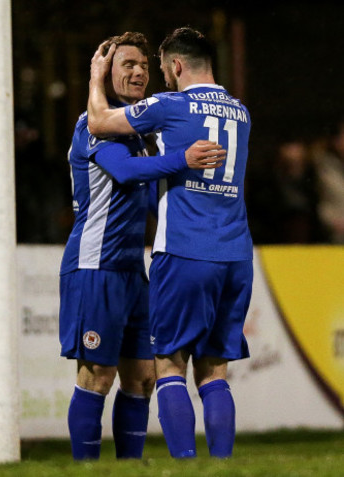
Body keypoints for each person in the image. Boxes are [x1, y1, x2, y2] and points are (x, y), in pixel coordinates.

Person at [86, 27, 254, 459]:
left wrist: (96, 77)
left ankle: (184, 465)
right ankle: (222, 467)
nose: (161, 76)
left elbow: (99, 122)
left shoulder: (170, 105)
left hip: (185, 250)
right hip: (236, 254)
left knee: (169, 366)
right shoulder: (240, 111)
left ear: (176, 65)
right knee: (215, 372)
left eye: (162, 68)